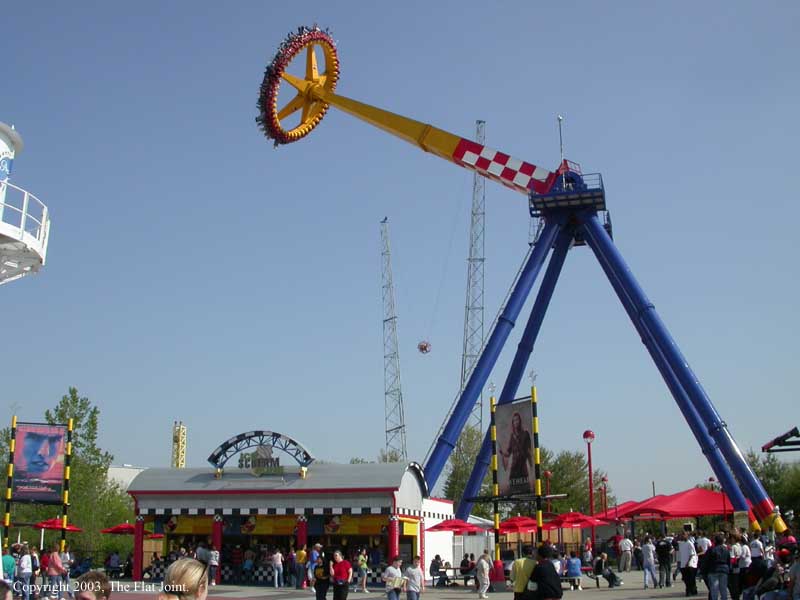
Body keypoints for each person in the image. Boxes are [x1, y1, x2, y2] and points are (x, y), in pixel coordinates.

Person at [498, 411, 533, 493]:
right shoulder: (512, 436)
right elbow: (508, 453)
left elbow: (528, 451)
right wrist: (502, 453)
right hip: (514, 468)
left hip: (522, 467)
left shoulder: (525, 434)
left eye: (517, 420)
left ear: (520, 421)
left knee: (526, 489)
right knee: (512, 490)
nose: (515, 422)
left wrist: (532, 466)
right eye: (514, 421)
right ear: (512, 423)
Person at [707, 534, 730, 600]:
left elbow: (707, 560)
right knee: (723, 588)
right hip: (724, 569)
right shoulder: (726, 549)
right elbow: (728, 560)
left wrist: (705, 570)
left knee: (714, 589)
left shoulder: (712, 550)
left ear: (715, 541)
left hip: (714, 569)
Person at [678, 532, 699, 597]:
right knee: (685, 578)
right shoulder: (680, 544)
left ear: (687, 536)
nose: (682, 536)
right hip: (683, 564)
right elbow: (680, 553)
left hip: (690, 564)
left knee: (690, 578)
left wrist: (688, 562)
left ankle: (689, 591)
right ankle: (693, 589)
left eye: (683, 535)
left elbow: (692, 554)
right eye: (681, 535)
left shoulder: (690, 543)